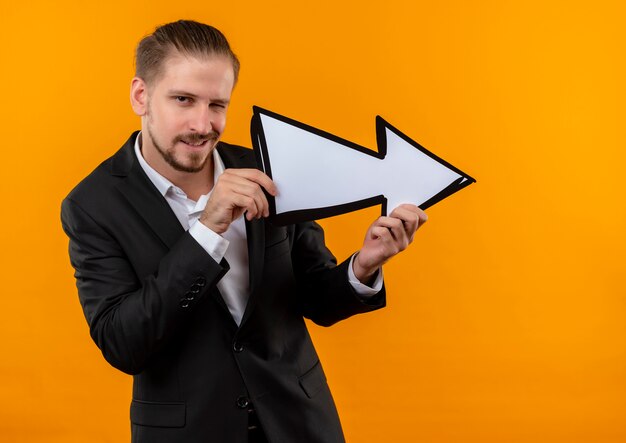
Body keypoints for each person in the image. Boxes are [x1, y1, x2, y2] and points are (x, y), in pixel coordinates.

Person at [61, 20, 427, 443]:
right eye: (183, 99)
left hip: (300, 423)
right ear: (141, 95)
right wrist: (208, 227)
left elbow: (315, 298)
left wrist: (364, 266)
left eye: (217, 104)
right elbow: (123, 342)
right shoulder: (92, 204)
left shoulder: (268, 170)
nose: (203, 125)